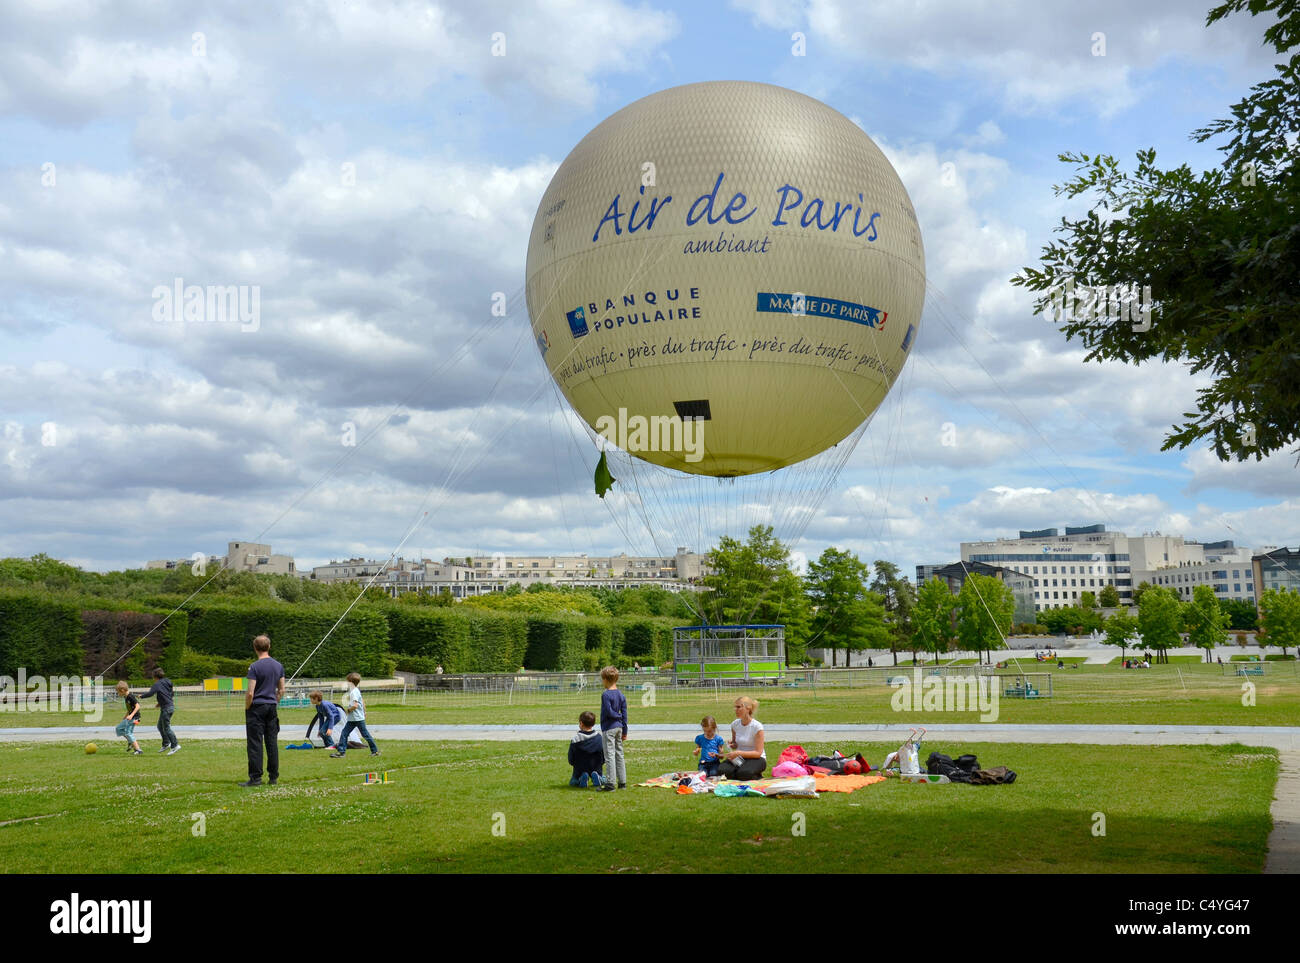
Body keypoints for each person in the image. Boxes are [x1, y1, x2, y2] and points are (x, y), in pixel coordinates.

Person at [243, 634, 285, 787]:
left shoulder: (254, 666)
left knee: (255, 743)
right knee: (271, 741)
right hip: (272, 706)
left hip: (257, 707)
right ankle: (273, 777)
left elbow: (250, 692)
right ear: (269, 646)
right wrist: (275, 701)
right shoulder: (278, 666)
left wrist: (247, 706)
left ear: (255, 648)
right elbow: (281, 690)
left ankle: (255, 778)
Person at [330, 672, 380, 758]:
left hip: (357, 718)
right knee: (344, 733)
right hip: (353, 718)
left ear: (351, 682)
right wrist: (364, 712)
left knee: (365, 735)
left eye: (347, 681)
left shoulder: (353, 692)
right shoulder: (356, 690)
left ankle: (375, 751)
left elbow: (355, 705)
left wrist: (349, 710)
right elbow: (362, 702)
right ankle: (341, 752)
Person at [719, 696, 766, 781]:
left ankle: (754, 775)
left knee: (744, 773)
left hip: (756, 758)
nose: (735, 709)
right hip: (739, 758)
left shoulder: (757, 727)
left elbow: (758, 753)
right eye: (735, 707)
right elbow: (735, 744)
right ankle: (740, 773)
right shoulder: (734, 725)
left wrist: (739, 753)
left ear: (748, 709)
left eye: (739, 707)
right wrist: (732, 745)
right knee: (722, 770)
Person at [598, 665, 627, 792]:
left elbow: (609, 712)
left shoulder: (606, 695)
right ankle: (622, 782)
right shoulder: (621, 694)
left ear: (606, 679)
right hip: (619, 727)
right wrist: (625, 730)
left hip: (609, 728)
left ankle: (610, 783)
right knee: (619, 754)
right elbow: (625, 714)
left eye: (602, 679)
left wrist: (617, 716)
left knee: (609, 755)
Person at [141, 667, 179, 755]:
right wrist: (160, 703)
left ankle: (175, 745)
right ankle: (166, 743)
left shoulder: (157, 684)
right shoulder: (167, 681)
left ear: (154, 676)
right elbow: (169, 693)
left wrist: (141, 696)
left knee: (166, 728)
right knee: (159, 726)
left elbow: (150, 693)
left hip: (166, 708)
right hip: (169, 706)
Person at [568, 710, 605, 788]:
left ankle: (581, 778)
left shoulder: (575, 739)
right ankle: (599, 778)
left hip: (580, 769)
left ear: (581, 723)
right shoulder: (599, 738)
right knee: (605, 779)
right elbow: (604, 756)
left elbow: (571, 758)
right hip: (596, 767)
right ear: (593, 724)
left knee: (573, 782)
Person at [115, 681, 142, 755]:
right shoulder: (126, 697)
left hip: (135, 718)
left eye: (118, 692)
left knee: (128, 732)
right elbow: (130, 708)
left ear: (122, 690)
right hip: (130, 717)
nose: (118, 694)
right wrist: (126, 715)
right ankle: (130, 741)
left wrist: (131, 715)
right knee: (118, 728)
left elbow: (138, 706)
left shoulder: (130, 696)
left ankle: (138, 750)